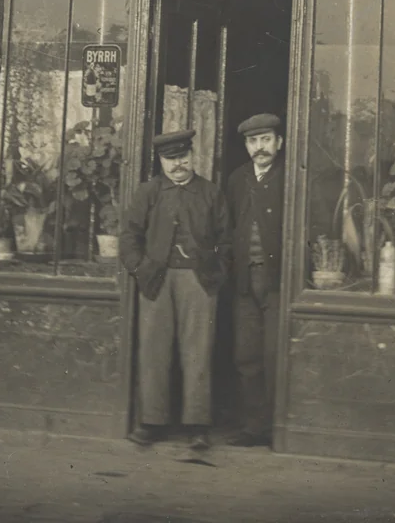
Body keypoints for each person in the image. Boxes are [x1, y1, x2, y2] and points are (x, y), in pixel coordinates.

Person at [120, 128, 230, 452]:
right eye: (170, 159)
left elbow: (226, 240)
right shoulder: (148, 192)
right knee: (153, 351)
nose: (178, 165)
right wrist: (140, 269)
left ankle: (197, 425)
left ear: (193, 156)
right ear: (160, 161)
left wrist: (217, 272)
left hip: (199, 282)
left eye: (183, 157)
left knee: (197, 353)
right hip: (156, 281)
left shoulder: (211, 193)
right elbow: (129, 236)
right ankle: (151, 422)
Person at [226, 112, 285, 447]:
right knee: (247, 356)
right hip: (246, 281)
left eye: (265, 140)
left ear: (279, 142)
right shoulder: (238, 179)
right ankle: (254, 427)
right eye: (252, 141)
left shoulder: (290, 177)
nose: (259, 148)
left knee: (276, 354)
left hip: (278, 280)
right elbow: (230, 226)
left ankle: (280, 430)